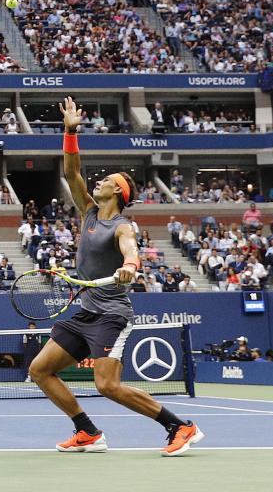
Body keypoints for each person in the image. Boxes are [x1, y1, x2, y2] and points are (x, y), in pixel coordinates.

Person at [29, 97, 201, 457]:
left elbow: (131, 250)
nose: (99, 181)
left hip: (111, 314)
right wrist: (70, 131)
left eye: (106, 180)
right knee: (40, 369)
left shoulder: (122, 225)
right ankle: (87, 432)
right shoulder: (89, 212)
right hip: (86, 311)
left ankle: (179, 426)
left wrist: (130, 268)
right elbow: (71, 173)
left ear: (118, 193)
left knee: (107, 384)